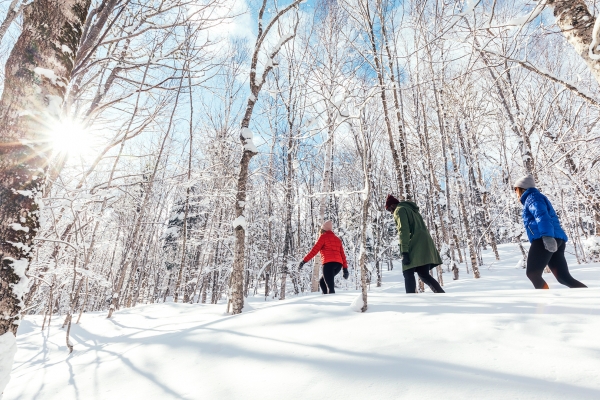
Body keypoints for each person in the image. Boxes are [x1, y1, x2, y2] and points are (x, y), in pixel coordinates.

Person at [514, 174, 587, 289]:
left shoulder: (532, 197)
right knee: (563, 277)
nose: (515, 193)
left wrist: (547, 237)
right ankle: (592, 299)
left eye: (515, 190)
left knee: (533, 273)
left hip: (544, 239)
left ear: (521, 188)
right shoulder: (535, 197)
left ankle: (546, 302)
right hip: (556, 238)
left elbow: (542, 216)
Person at [385, 194, 445, 294]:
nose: (391, 213)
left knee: (407, 272)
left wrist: (404, 251)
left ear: (392, 206)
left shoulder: (399, 210)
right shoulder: (411, 209)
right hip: (426, 243)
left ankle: (411, 301)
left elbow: (403, 231)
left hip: (415, 243)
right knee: (423, 274)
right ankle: (442, 296)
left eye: (389, 210)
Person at [299, 220, 348, 294]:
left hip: (328, 264)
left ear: (323, 229)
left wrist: (304, 261)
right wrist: (345, 269)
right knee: (322, 282)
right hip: (338, 265)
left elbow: (314, 251)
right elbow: (343, 256)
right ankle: (326, 299)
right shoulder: (338, 240)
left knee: (330, 288)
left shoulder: (323, 237)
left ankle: (333, 302)